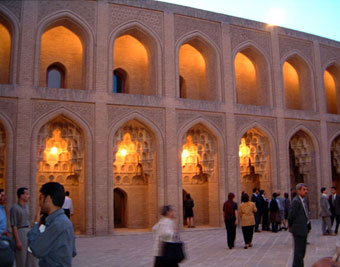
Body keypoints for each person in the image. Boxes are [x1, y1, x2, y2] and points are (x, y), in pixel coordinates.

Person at [28, 182, 77, 267]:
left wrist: (35, 224)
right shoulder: (64, 221)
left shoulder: (58, 224)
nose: (39, 203)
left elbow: (36, 249)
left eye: (41, 198)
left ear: (48, 199)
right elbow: (73, 251)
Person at [10, 187, 37, 267]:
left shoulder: (27, 207)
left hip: (28, 231)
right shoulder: (15, 208)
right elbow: (14, 225)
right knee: (21, 257)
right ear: (21, 195)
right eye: (27, 194)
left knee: (30, 257)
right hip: (21, 232)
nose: (29, 196)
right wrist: (18, 240)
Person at [288, 183, 309, 267]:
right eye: (304, 190)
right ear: (298, 191)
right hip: (298, 229)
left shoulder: (303, 200)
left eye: (306, 189)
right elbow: (291, 215)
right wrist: (291, 226)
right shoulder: (296, 201)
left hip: (303, 229)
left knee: (302, 251)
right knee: (298, 252)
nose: (306, 191)